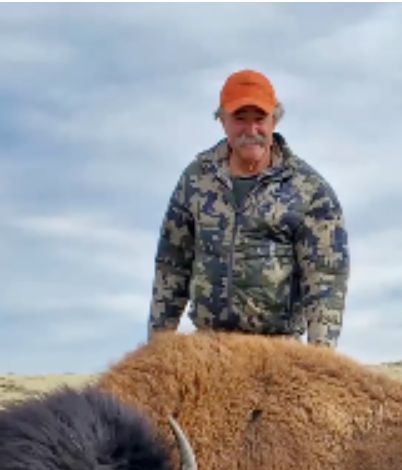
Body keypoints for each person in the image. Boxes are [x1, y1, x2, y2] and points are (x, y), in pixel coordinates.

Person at [147, 68, 350, 348]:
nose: (251, 130)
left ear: (274, 120)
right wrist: (157, 347)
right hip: (210, 347)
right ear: (222, 121)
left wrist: (321, 357)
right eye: (240, 119)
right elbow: (171, 266)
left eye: (260, 119)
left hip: (279, 350)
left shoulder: (310, 190)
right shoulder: (195, 180)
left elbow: (325, 279)